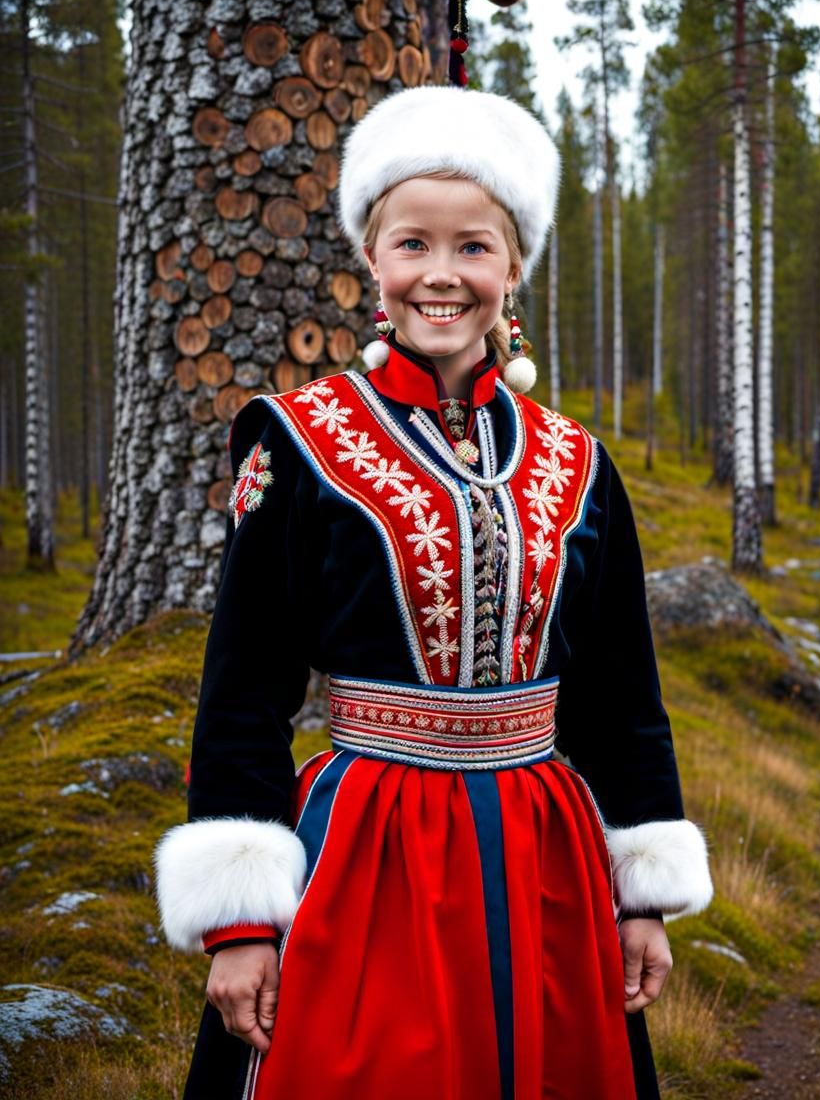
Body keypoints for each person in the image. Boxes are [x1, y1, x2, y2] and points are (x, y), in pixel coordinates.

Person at [155, 85, 713, 1100]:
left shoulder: (578, 463)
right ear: (373, 259)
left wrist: (641, 898)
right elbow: (243, 689)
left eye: (473, 247)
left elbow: (621, 699)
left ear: (513, 268)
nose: (441, 274)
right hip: (368, 855)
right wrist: (238, 924)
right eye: (413, 243)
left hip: (545, 861)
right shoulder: (299, 443)